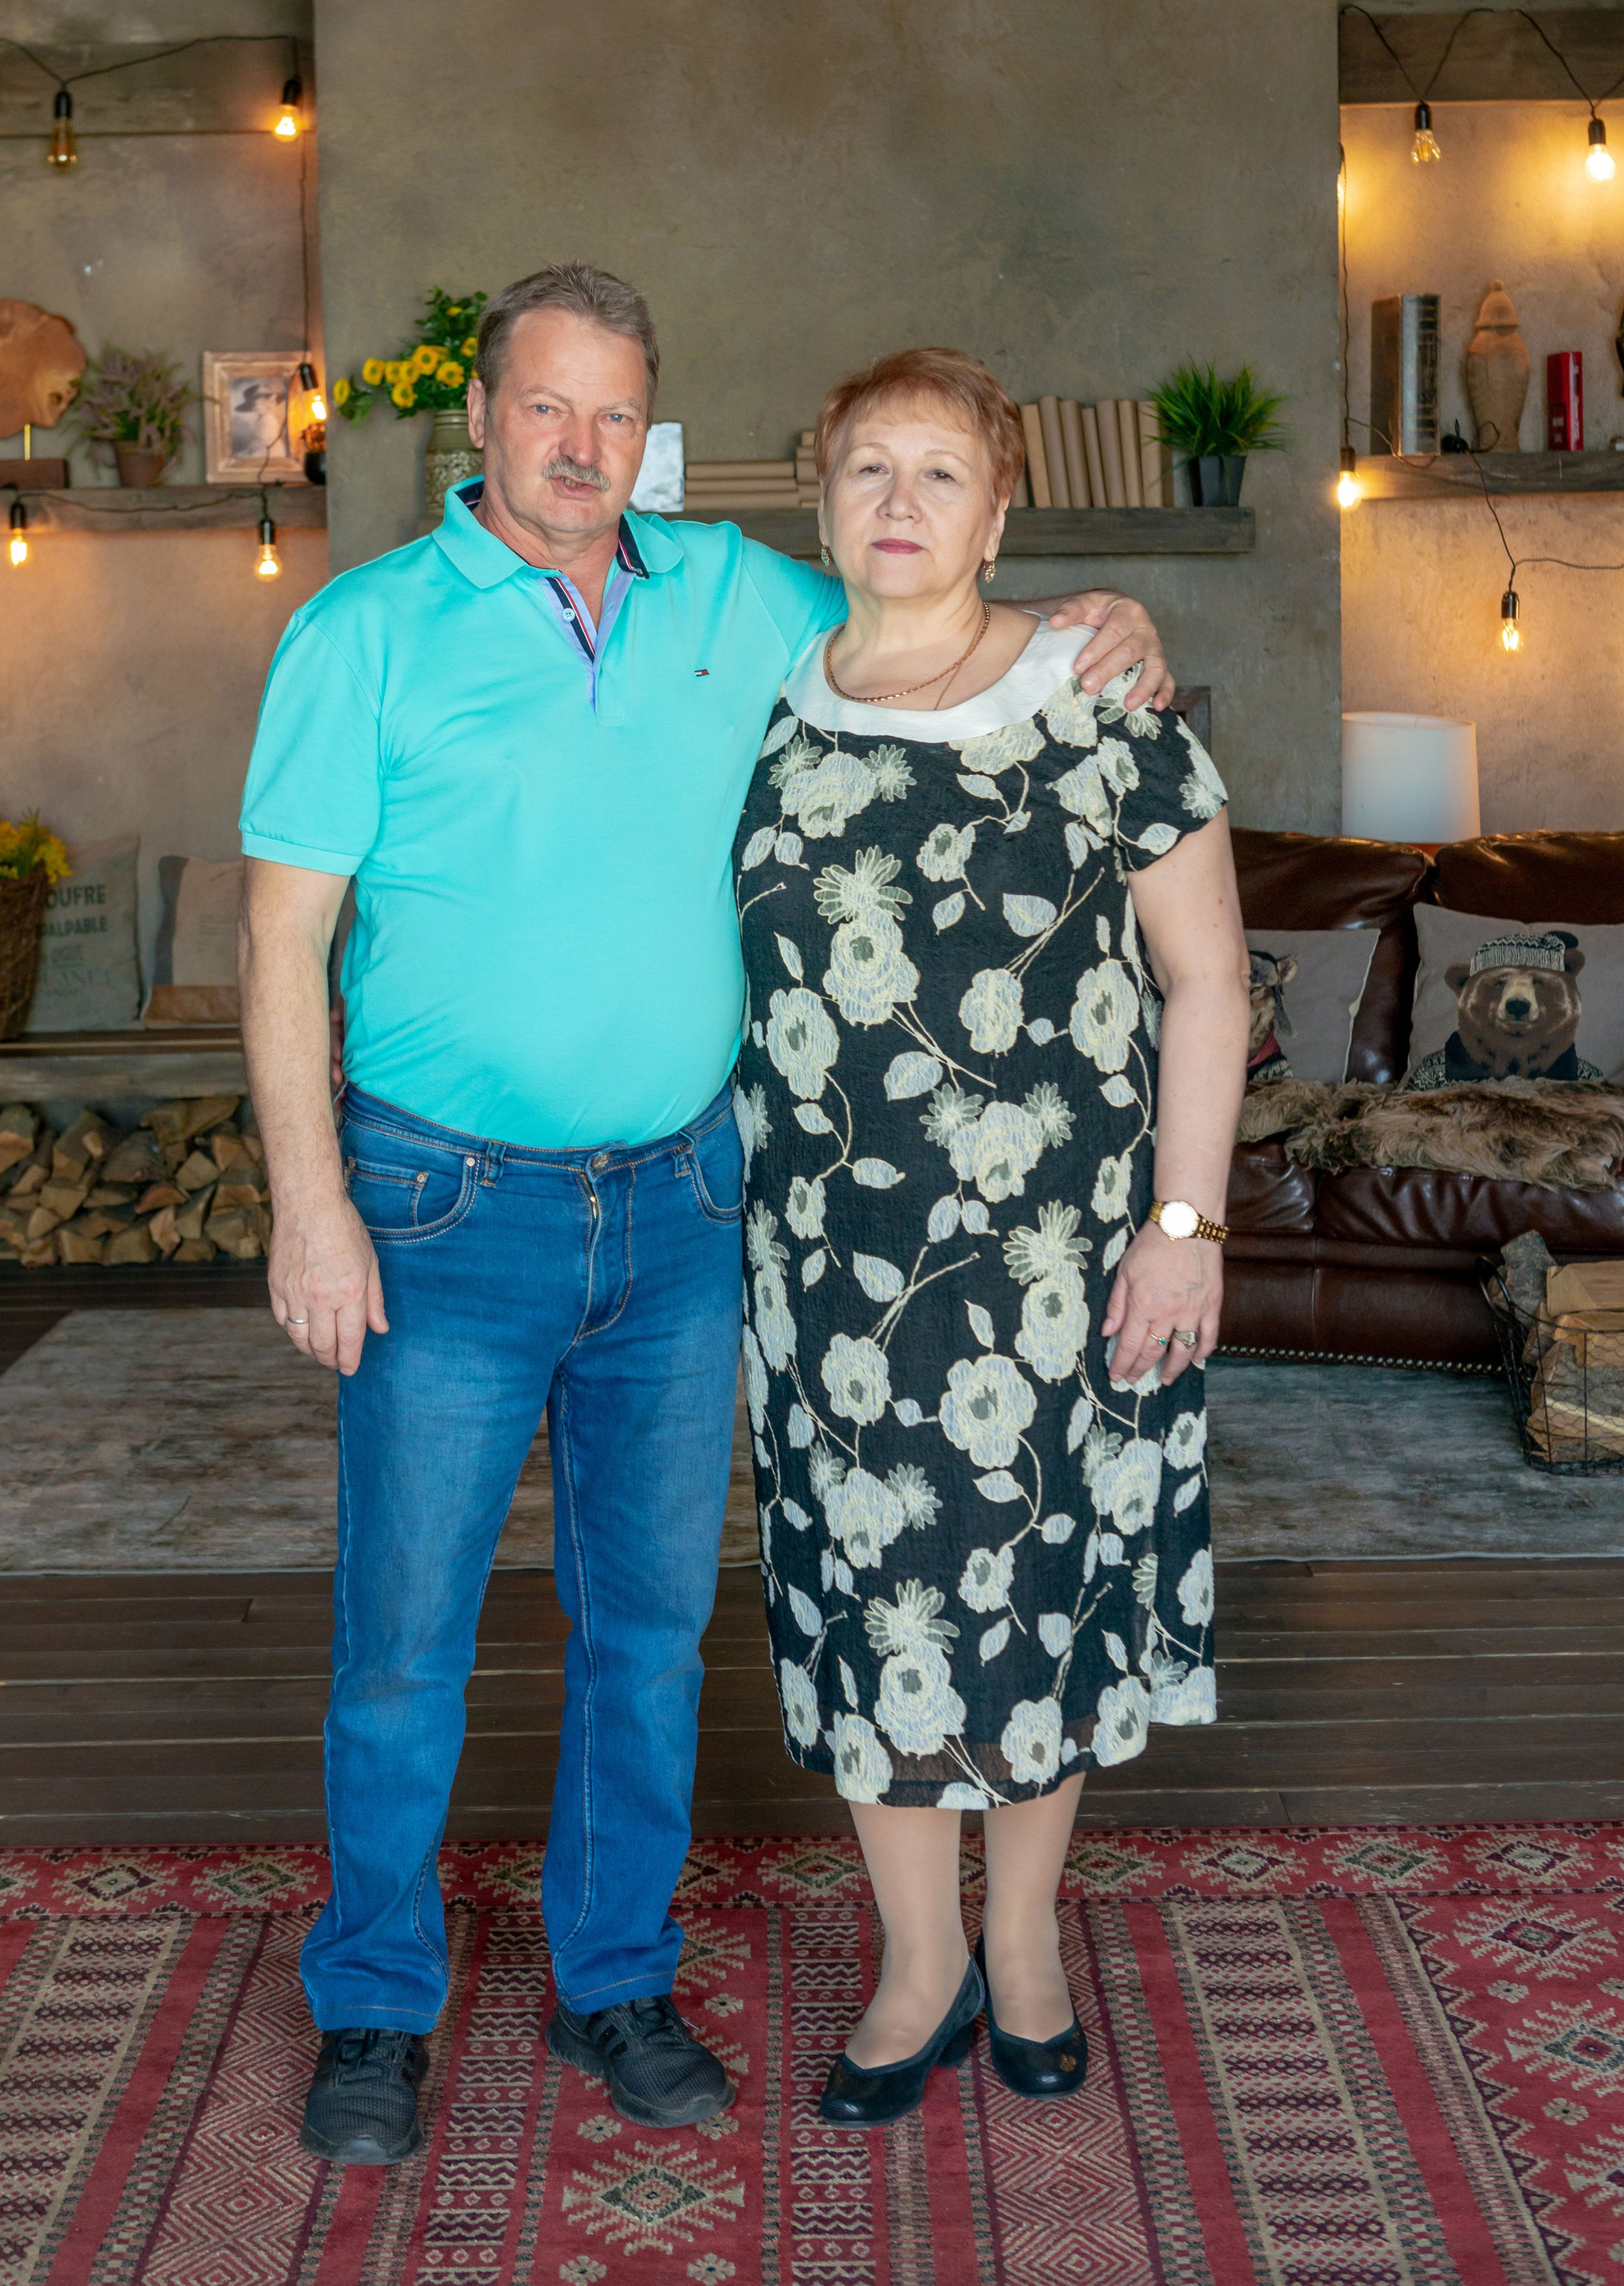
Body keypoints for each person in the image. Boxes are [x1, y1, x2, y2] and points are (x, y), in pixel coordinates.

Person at [236, 265, 1175, 2165]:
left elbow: (937, 616)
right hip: (439, 1207)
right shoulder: (363, 630)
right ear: (480, 419)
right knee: (404, 1639)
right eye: (544, 408)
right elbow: (280, 942)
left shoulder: (738, 595)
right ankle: (374, 2003)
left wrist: (1110, 617)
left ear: (647, 431)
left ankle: (613, 1974)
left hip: (682, 1206)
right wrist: (308, 1202)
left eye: (615, 414)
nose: (578, 449)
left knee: (646, 1627)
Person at [733, 347, 1247, 2130]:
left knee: (1039, 1591)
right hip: (828, 1264)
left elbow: (1207, 980)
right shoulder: (760, 708)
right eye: (866, 465)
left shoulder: (1099, 697)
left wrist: (1182, 1225)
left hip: (1064, 1262)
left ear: (998, 512)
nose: (898, 500)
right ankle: (917, 1957)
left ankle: (1021, 1941)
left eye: (939, 471)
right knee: (870, 1597)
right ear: (820, 497)